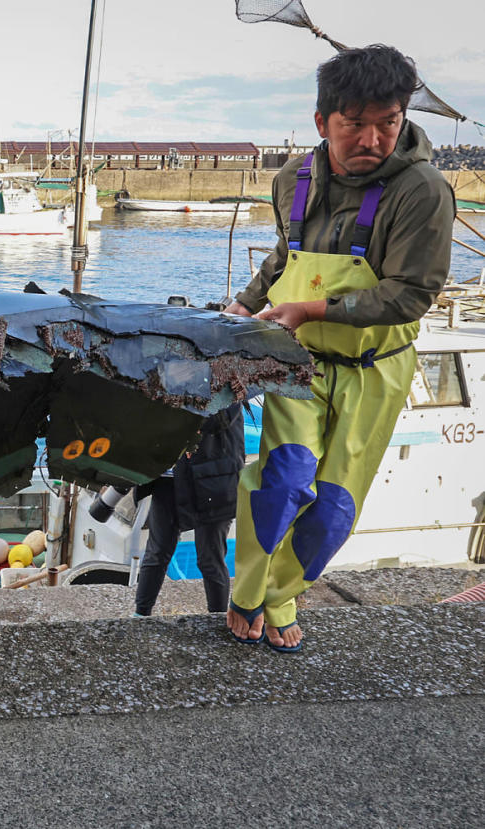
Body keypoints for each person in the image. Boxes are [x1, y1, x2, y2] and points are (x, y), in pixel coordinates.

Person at [224, 45, 455, 653]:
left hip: (373, 370)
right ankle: (248, 590)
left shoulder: (423, 191)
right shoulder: (290, 180)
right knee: (282, 479)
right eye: (354, 123)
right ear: (324, 120)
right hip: (297, 362)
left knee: (330, 512)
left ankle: (282, 593)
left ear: (403, 118)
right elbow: (284, 258)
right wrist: (246, 306)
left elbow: (410, 296)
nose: (372, 138)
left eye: (388, 121)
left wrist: (311, 309)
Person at [133, 404, 245, 617]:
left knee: (210, 558)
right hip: (167, 480)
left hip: (213, 482)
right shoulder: (165, 373)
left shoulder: (231, 380)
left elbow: (220, 418)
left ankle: (217, 619)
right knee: (157, 552)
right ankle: (140, 615)